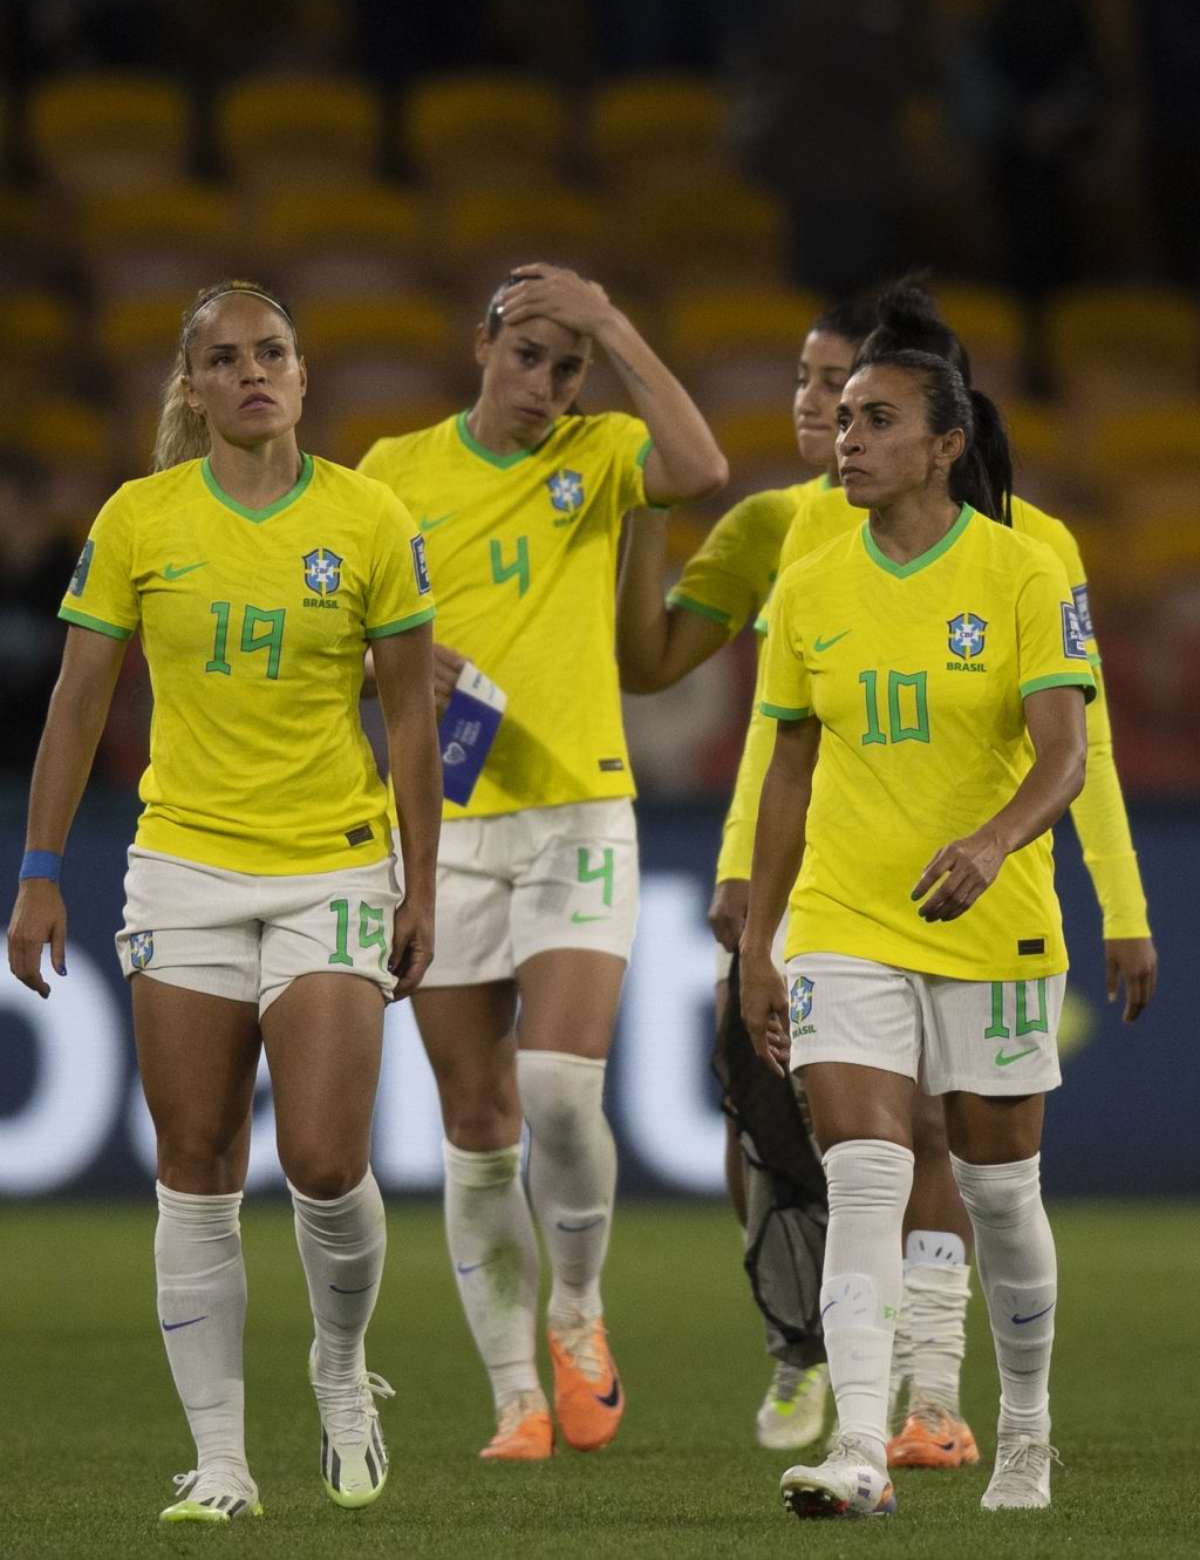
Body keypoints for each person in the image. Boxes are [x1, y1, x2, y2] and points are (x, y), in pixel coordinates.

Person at [6, 280, 441, 1523]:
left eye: (274, 352)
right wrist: (39, 872)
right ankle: (223, 1462)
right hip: (184, 865)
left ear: (303, 376)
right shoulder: (142, 518)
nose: (254, 373)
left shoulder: (369, 517)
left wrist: (425, 876)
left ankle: (342, 1367)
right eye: (225, 358)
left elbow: (410, 710)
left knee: (322, 1157)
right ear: (192, 390)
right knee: (194, 1165)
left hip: (335, 862)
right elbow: (78, 702)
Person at [731, 284, 1157, 1471]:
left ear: (944, 444)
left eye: (874, 420)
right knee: (864, 1171)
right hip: (847, 913)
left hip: (992, 918)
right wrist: (766, 941)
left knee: (999, 1190)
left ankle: (1021, 1426)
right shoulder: (810, 583)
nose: (845, 438)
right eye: (842, 416)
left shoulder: (1025, 572)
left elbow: (1073, 755)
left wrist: (996, 844)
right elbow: (783, 773)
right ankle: (864, 1446)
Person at [359, 263, 727, 1460]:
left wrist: (615, 318)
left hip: (579, 810)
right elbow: (342, 641)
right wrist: (399, 669)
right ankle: (515, 1394)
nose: (548, 384)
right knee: (476, 1119)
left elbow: (705, 469)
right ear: (482, 345)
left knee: (562, 1087)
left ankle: (578, 1308)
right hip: (446, 824)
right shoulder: (392, 472)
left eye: (568, 365)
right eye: (530, 355)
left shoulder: (602, 453)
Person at [617, 290, 880, 1451]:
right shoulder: (775, 523)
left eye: (842, 381)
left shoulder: (991, 544)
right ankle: (796, 1344)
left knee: (907, 1131)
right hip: (780, 870)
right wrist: (648, 518)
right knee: (758, 1103)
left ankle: (917, 1375)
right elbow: (653, 657)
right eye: (805, 378)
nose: (816, 402)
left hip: (912, 877)